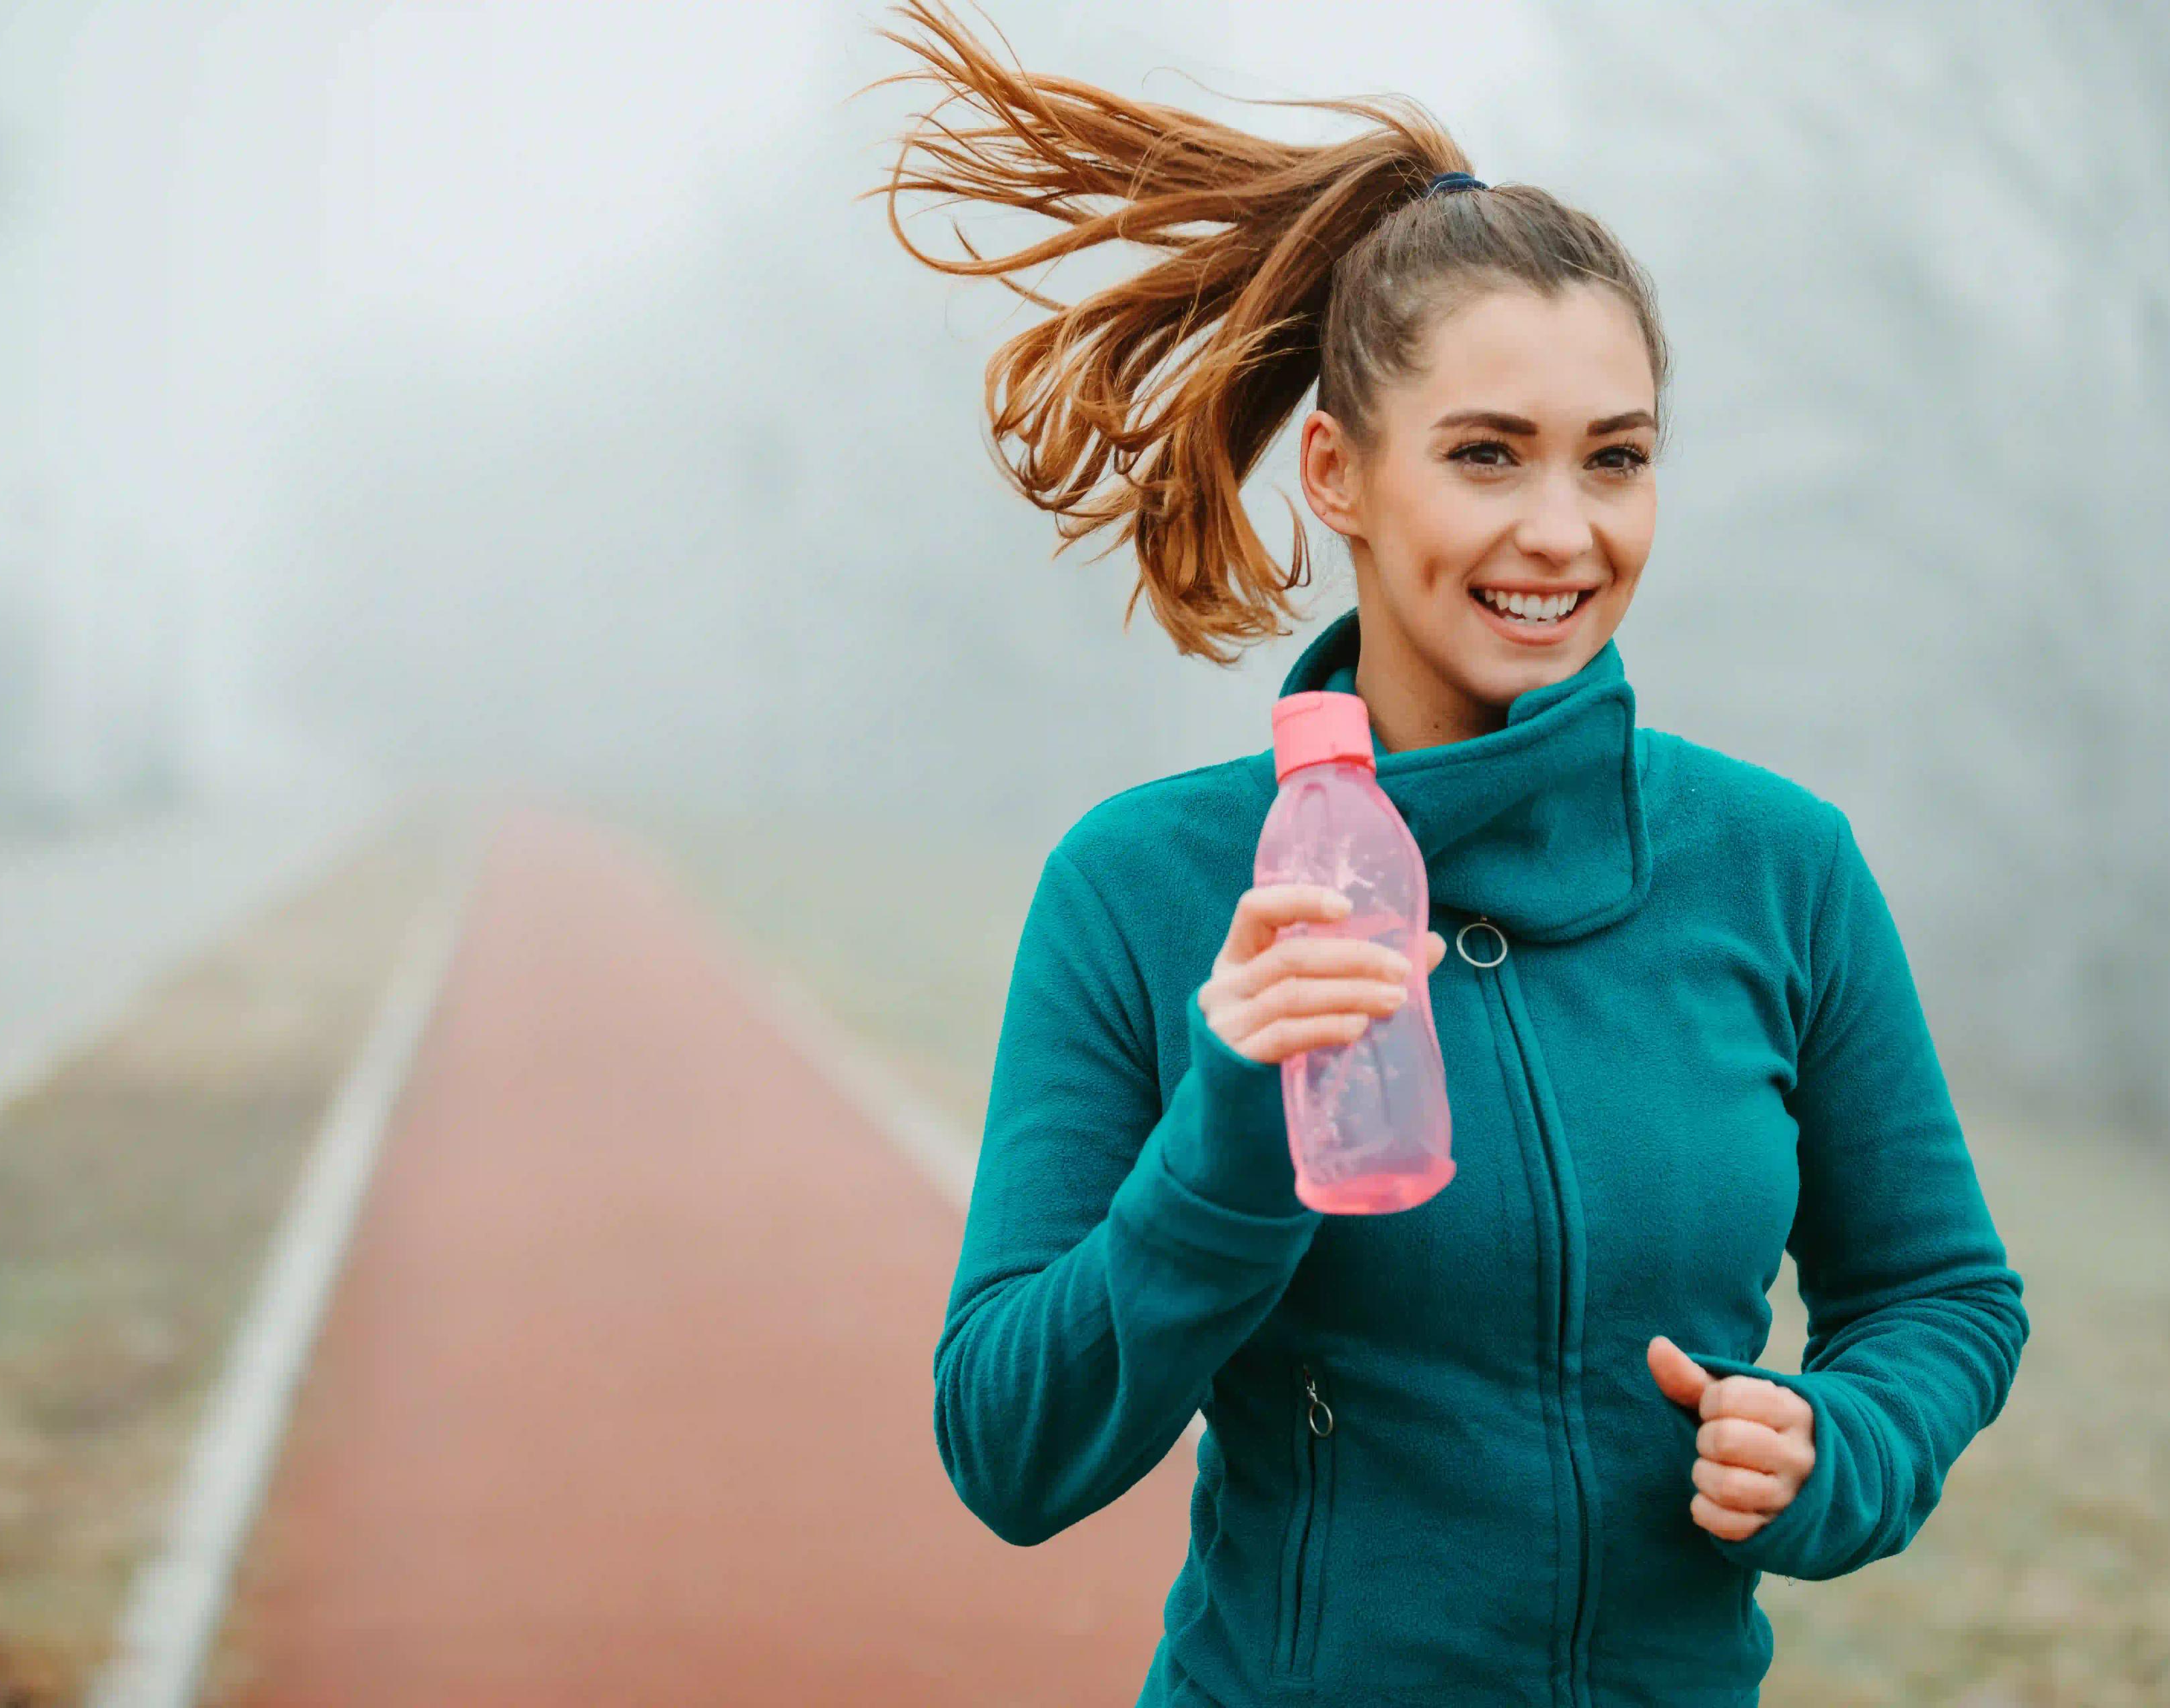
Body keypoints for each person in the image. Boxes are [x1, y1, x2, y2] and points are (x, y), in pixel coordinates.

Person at [861, 5, 2029, 1703]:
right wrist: (1238, 1119)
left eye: (1615, 459)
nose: (1563, 531)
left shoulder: (1780, 866)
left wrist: (1837, 1446)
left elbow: (1941, 1291)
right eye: (1488, 453)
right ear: (1338, 470)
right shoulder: (1145, 888)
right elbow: (1011, 1445)